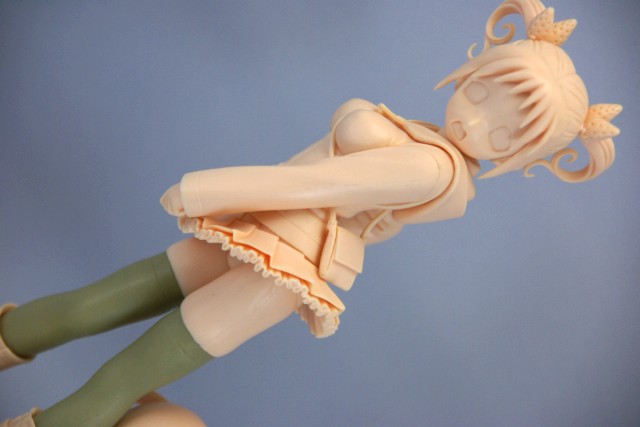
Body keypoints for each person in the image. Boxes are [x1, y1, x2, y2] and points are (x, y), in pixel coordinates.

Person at [0, 0, 621, 426]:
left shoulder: (433, 168)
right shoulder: (424, 139)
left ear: (522, 158)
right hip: (259, 233)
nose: (474, 122)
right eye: (482, 92)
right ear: (476, 66)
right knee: (95, 303)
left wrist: (210, 189)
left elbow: (319, 184)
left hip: (277, 268)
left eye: (505, 136)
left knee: (124, 375)